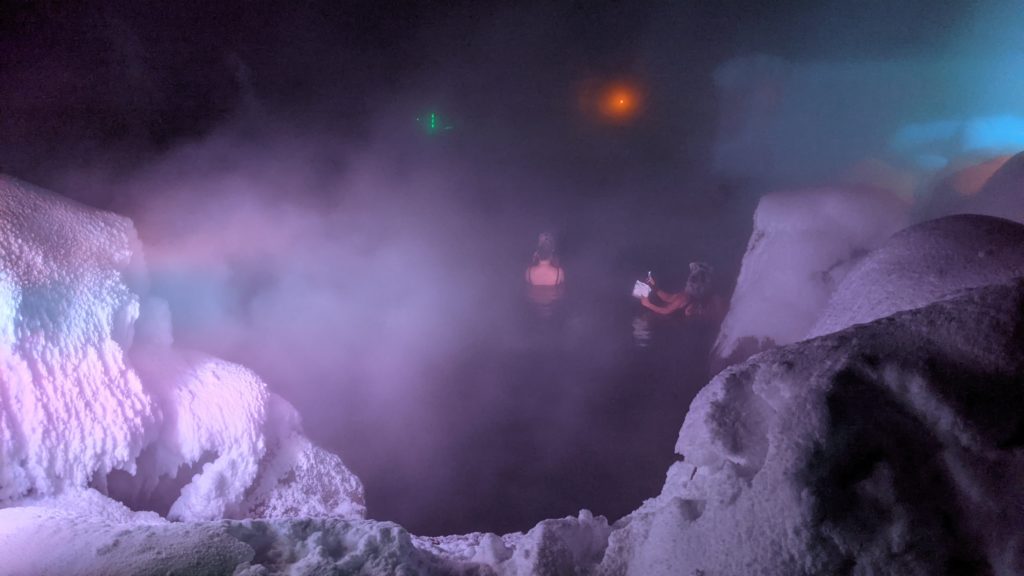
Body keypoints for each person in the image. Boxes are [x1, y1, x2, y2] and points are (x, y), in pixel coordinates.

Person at [640, 261, 725, 322]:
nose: (687, 281)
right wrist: (655, 288)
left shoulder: (684, 297)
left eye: (691, 279)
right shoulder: (684, 296)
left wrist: (648, 305)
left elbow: (666, 310)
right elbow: (669, 298)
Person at [525, 232, 565, 313]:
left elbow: (527, 292)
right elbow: (562, 293)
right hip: (553, 309)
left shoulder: (528, 272)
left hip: (534, 309)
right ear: (551, 254)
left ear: (537, 254)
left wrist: (533, 261)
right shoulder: (559, 272)